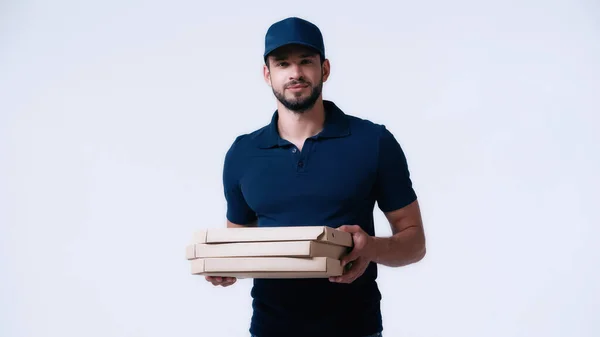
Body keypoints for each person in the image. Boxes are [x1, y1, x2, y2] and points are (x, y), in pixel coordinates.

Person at [205, 16, 426, 337]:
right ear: (268, 74)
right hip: (270, 329)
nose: (295, 73)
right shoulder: (242, 153)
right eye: (282, 64)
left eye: (305, 62)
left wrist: (370, 248)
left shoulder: (373, 141)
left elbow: (415, 243)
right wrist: (223, 268)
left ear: (324, 69)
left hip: (355, 329)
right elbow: (239, 244)